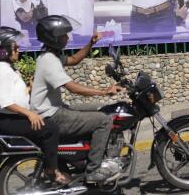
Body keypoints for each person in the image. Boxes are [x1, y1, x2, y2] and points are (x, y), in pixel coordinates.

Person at [30, 15, 122, 185]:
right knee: (103, 120)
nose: (67, 37)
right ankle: (94, 170)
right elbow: (72, 87)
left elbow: (74, 60)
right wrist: (103, 91)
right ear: (54, 37)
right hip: (52, 115)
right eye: (64, 35)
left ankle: (94, 155)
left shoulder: (51, 56)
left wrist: (90, 43)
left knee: (103, 108)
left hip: (56, 109)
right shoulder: (49, 61)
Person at [0, 26, 68, 186]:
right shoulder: (1, 70)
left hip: (11, 117)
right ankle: (52, 170)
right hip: (8, 119)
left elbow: (14, 94)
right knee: (50, 129)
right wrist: (30, 114)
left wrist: (29, 88)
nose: (19, 49)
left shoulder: (7, 68)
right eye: (15, 47)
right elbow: (5, 102)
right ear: (2, 49)